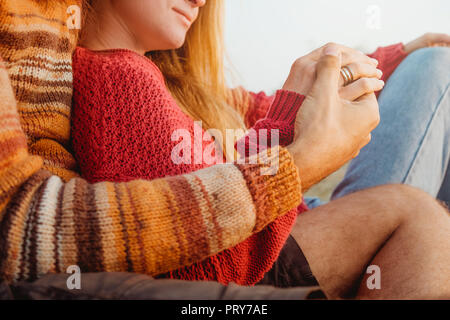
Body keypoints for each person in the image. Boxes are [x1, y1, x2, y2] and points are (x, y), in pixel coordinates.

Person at [0, 0, 449, 299]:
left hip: (291, 220)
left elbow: (257, 106)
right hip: (274, 243)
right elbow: (214, 264)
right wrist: (291, 135)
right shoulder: (120, 79)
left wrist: (391, 55)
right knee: (422, 203)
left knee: (433, 72)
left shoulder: (149, 76)